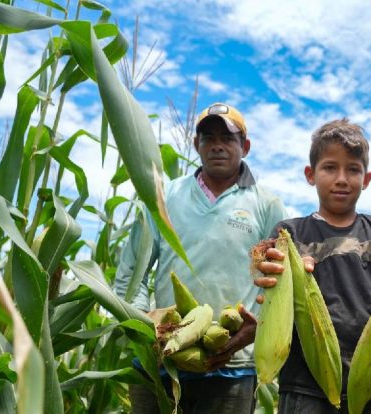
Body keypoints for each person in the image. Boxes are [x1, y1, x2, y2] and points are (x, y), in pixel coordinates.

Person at [114, 102, 287, 413]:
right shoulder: (163, 196)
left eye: (228, 138)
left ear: (244, 147)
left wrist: (255, 328)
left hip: (232, 365)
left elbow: (281, 284)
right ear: (196, 145)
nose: (218, 146)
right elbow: (131, 274)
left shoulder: (267, 205)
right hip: (160, 361)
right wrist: (144, 330)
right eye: (208, 138)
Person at [253, 119, 371, 413]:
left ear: (366, 179)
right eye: (330, 167)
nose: (342, 178)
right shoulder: (289, 234)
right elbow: (266, 273)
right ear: (311, 174)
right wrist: (276, 274)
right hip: (306, 385)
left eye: (353, 169)